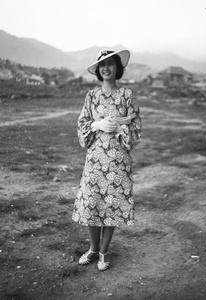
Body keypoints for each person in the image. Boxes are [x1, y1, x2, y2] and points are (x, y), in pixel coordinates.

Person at [72, 49, 142, 271]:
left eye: (110, 63)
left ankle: (103, 251)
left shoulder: (127, 96)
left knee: (111, 204)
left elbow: (136, 127)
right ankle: (92, 249)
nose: (106, 68)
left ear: (117, 68)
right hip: (95, 158)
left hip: (118, 160)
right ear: (98, 70)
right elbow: (82, 124)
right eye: (102, 64)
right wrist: (96, 124)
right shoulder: (91, 96)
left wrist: (121, 126)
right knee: (92, 202)